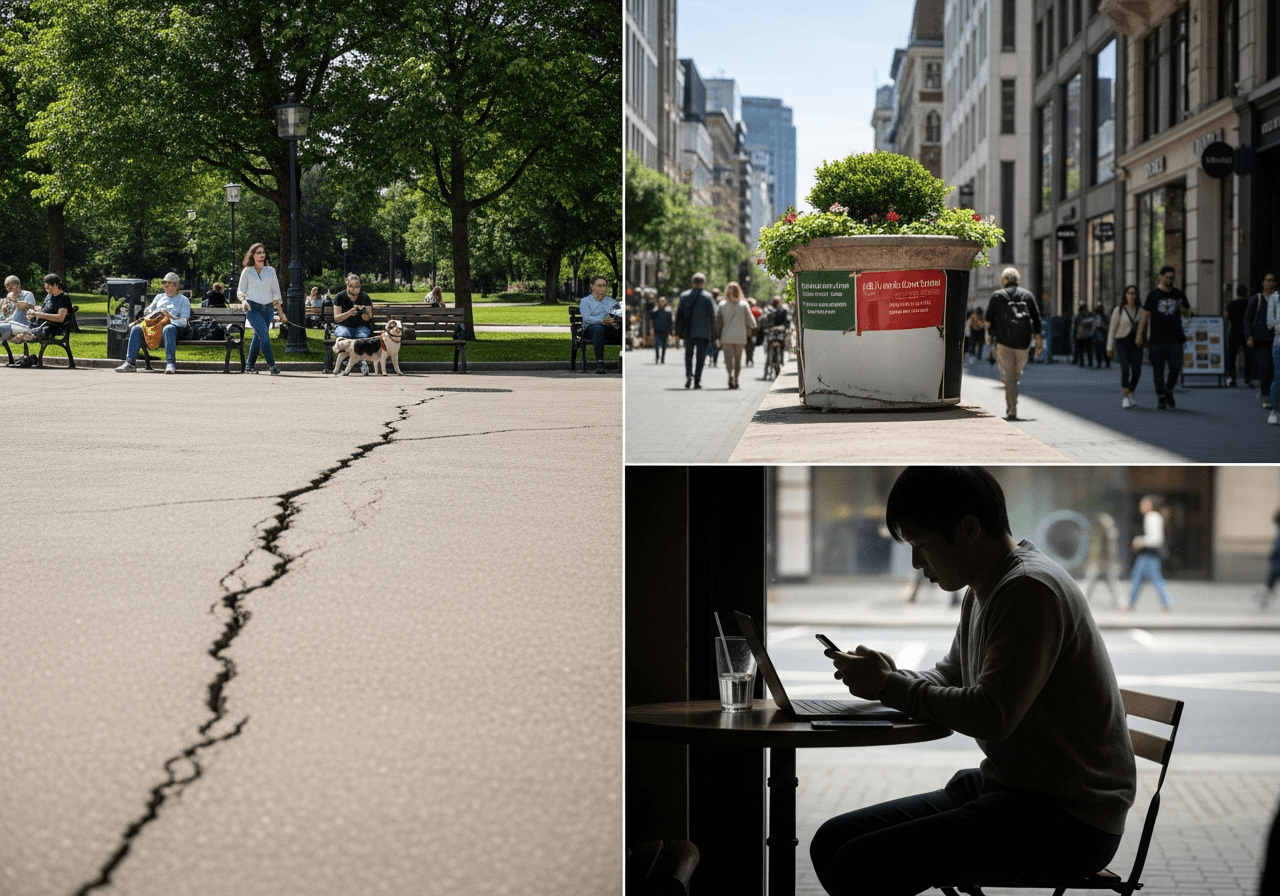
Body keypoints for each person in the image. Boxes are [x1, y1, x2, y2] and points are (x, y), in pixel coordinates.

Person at [810, 466, 1136, 896]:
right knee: (831, 841)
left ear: (967, 529)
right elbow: (952, 674)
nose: (915, 562)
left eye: (921, 545)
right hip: (1015, 790)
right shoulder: (987, 585)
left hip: (1068, 819)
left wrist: (889, 686)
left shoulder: (1029, 589)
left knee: (858, 863)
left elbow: (991, 715)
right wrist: (891, 677)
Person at [985, 267, 1043, 420]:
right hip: (1024, 344)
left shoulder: (997, 296)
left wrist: (988, 336)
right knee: (1015, 375)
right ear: (1018, 280)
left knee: (1009, 376)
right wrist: (1038, 341)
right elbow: (1037, 319)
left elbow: (989, 320)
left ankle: (1012, 408)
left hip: (1004, 342)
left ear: (1003, 280)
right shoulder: (1028, 295)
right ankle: (1012, 402)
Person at [1134, 265, 1192, 410]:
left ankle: (1169, 390)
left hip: (1175, 339)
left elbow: (1187, 314)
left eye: (1172, 278)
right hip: (1157, 340)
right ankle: (1161, 396)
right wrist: (1139, 335)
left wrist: (1181, 308)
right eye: (1166, 277)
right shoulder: (1153, 295)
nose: (1169, 280)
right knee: (1158, 370)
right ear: (1160, 277)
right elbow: (1144, 316)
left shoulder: (1179, 295)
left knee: (1176, 366)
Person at [115, 272, 191, 374]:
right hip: (155, 326)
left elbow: (184, 322)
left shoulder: (183, 300)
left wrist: (170, 318)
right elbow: (148, 311)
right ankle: (130, 363)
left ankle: (170, 364)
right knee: (136, 328)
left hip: (173, 330)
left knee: (168, 328)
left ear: (177, 285)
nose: (165, 285)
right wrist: (152, 314)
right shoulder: (159, 297)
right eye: (164, 283)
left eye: (169, 283)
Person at [237, 243, 287, 375]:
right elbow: (240, 291)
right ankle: (273, 366)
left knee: (259, 337)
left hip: (268, 309)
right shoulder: (247, 271)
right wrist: (243, 301)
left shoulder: (271, 271)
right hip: (252, 308)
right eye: (258, 253)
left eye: (263, 252)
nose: (261, 255)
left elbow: (276, 293)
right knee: (264, 337)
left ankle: (249, 366)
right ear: (252, 255)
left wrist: (281, 313)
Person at [1127, 495, 1173, 611]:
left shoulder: (1152, 517)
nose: (1142, 506)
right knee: (1143, 578)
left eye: (1145, 504)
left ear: (1151, 505)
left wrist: (1140, 541)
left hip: (1149, 553)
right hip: (1149, 554)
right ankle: (1130, 603)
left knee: (1142, 578)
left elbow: (1155, 539)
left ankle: (1130, 604)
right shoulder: (1153, 517)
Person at [674, 272, 717, 390]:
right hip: (703, 332)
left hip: (688, 331)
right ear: (704, 283)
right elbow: (712, 316)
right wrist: (714, 333)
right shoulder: (708, 297)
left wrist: (677, 331)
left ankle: (689, 374)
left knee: (688, 355)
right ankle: (697, 380)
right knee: (701, 357)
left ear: (692, 282)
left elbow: (679, 315)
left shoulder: (684, 295)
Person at [1106, 285, 1144, 408]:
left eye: (1133, 293)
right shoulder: (1119, 310)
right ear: (1125, 295)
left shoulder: (1141, 310)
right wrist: (1109, 347)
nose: (1131, 296)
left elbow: (1146, 327)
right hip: (1122, 342)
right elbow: (1112, 329)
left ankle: (1131, 391)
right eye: (1128, 293)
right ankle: (1126, 397)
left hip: (1136, 343)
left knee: (1137, 370)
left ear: (1137, 295)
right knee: (1125, 369)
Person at [715, 281, 757, 390]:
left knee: (729, 359)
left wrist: (717, 336)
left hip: (726, 336)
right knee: (738, 359)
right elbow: (751, 322)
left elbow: (719, 322)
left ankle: (730, 375)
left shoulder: (722, 305)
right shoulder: (744, 305)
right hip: (740, 335)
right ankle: (736, 379)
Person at [1246, 273, 1277, 414]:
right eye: (1268, 280)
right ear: (1263, 282)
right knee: (1265, 367)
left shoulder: (1277, 299)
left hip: (1275, 339)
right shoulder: (1256, 299)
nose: (1270, 283)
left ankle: (1272, 394)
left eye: (1273, 281)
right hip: (1260, 340)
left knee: (1274, 369)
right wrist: (1249, 336)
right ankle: (1265, 396)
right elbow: (1248, 319)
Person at [333, 273, 375, 375]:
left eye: (357, 287)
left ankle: (355, 360)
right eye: (351, 286)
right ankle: (354, 360)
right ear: (347, 284)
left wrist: (364, 312)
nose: (354, 289)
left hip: (361, 326)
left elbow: (369, 318)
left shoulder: (364, 297)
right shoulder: (339, 297)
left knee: (361, 337)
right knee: (344, 334)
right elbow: (337, 318)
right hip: (344, 326)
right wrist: (349, 313)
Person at [579, 275, 621, 375]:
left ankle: (623, 360)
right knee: (598, 328)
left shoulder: (611, 302)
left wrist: (615, 320)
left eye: (604, 286)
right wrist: (603, 320)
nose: (602, 288)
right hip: (590, 330)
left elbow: (619, 315)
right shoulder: (585, 301)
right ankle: (600, 364)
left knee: (624, 329)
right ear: (592, 286)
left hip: (608, 329)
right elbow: (587, 318)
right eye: (599, 285)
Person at [1084, 512, 1121, 608]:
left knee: (1112, 581)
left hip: (1107, 562)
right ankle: (1083, 601)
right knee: (1090, 580)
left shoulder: (1111, 534)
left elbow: (1113, 551)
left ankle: (1118, 601)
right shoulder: (1096, 535)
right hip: (1097, 561)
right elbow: (1094, 551)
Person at [29, 273, 74, 343]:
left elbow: (60, 318)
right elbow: (48, 309)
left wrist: (39, 315)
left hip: (49, 328)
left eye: (48, 286)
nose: (46, 289)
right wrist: (39, 309)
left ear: (56, 284)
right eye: (45, 287)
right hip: (39, 324)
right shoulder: (49, 296)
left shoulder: (64, 298)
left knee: (21, 334)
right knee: (15, 330)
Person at [1224, 284, 1254, 388]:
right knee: (1248, 356)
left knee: (1232, 356)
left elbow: (1226, 316)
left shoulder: (1231, 304)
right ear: (1246, 293)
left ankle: (1232, 379)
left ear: (1237, 293)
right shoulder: (1249, 303)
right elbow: (1253, 317)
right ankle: (1248, 380)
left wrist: (1230, 320)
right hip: (1246, 332)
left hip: (1234, 332)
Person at [1, 276, 37, 351]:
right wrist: (5, 311)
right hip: (9, 324)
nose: (9, 287)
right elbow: (7, 315)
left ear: (19, 285)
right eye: (7, 285)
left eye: (12, 285)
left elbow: (27, 308)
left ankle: (26, 333)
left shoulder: (27, 294)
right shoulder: (8, 297)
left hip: (22, 325)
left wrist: (14, 300)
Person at [1268, 282, 1280, 425]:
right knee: (1279, 376)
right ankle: (1274, 410)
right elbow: (1269, 322)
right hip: (1279, 342)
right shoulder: (1274, 298)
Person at [1072, 302, 1096, 367]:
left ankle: (1088, 363)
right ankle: (1082, 362)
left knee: (1087, 350)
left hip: (1085, 335)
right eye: (1085, 309)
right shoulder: (1080, 317)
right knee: (1082, 350)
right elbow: (1075, 327)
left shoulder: (1086, 316)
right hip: (1082, 335)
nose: (1086, 310)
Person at [651, 296, 672, 364]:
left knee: (664, 345)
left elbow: (670, 321)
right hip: (657, 330)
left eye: (663, 301)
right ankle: (657, 356)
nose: (662, 302)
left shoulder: (668, 311)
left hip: (665, 330)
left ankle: (662, 357)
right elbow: (651, 318)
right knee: (656, 344)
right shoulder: (655, 310)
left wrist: (671, 331)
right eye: (661, 301)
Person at [1092, 303, 1109, 368]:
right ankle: (1099, 363)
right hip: (1097, 332)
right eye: (1098, 307)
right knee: (1097, 349)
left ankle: (1107, 362)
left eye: (1100, 307)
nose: (1099, 309)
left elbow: (1107, 324)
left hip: (1103, 332)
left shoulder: (1104, 316)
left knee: (1104, 349)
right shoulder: (1095, 315)